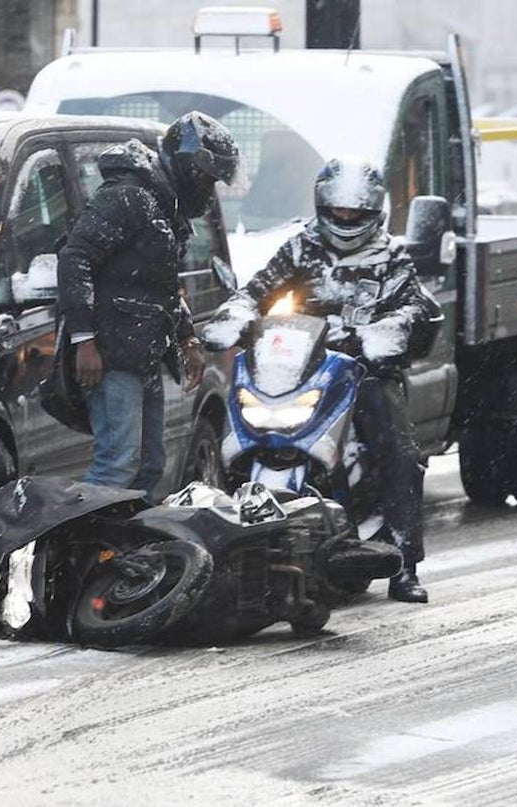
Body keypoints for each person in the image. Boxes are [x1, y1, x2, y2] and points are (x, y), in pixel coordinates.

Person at [208, 155, 442, 603]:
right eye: (338, 212)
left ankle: (404, 562)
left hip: (367, 372)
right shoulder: (302, 247)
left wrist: (383, 334)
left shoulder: (391, 257)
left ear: (374, 213)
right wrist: (236, 315)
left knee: (399, 451)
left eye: (356, 213)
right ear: (323, 208)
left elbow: (414, 308)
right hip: (303, 369)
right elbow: (256, 291)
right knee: (245, 424)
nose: (346, 219)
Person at [57, 111, 240, 500]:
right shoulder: (126, 197)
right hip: (113, 354)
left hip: (146, 354)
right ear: (187, 166)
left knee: (149, 464)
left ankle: (125, 551)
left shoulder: (163, 206)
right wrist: (84, 339)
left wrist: (188, 339)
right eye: (207, 179)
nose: (208, 191)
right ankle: (79, 548)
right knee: (118, 462)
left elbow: (163, 286)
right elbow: (76, 258)